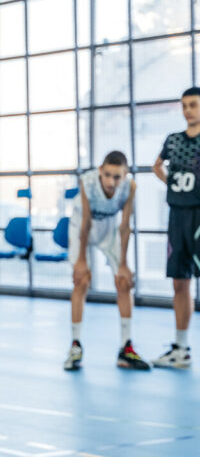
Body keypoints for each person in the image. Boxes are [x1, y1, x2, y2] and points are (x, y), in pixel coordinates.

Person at [63, 151, 149, 371]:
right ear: (100, 171)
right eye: (108, 175)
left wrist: (124, 264)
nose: (112, 181)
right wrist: (82, 260)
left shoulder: (130, 188)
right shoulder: (88, 182)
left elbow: (125, 226)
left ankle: (126, 348)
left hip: (109, 228)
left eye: (117, 177)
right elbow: (85, 224)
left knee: (123, 282)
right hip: (81, 227)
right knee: (81, 280)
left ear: (125, 174)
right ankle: (75, 345)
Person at [151, 86, 200, 369]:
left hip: (199, 217)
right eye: (184, 105)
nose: (188, 110)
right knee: (179, 282)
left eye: (193, 104)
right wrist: (172, 184)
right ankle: (181, 349)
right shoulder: (173, 140)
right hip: (177, 216)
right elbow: (157, 166)